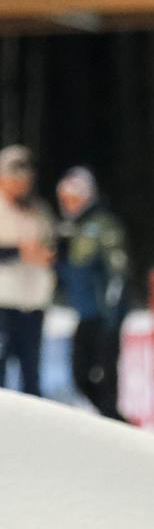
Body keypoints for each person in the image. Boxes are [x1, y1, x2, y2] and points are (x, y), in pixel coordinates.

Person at [55, 166, 131, 421]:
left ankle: (119, 428)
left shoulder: (102, 225)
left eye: (73, 197)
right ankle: (114, 424)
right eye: (64, 198)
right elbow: (72, 272)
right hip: (85, 314)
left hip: (104, 315)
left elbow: (117, 271)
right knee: (80, 376)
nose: (68, 203)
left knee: (105, 377)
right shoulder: (71, 228)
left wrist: (112, 317)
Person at [0, 144, 55, 398]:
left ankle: (32, 434)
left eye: (26, 178)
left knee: (31, 375)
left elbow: (54, 245)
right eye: (16, 177)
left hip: (33, 303)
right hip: (3, 304)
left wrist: (48, 255)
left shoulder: (40, 210)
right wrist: (18, 252)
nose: (22, 183)